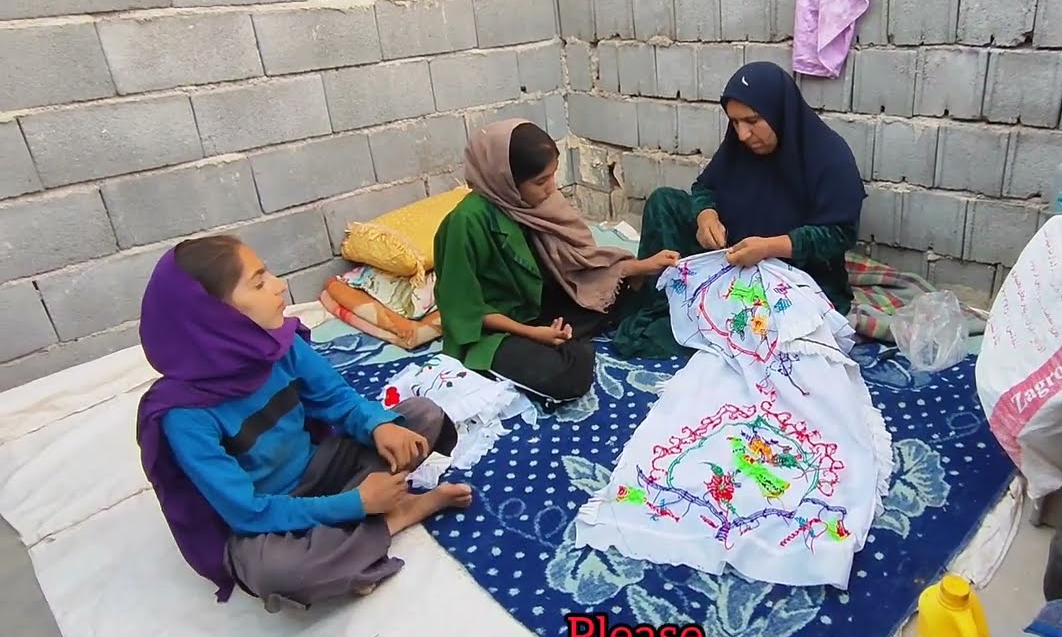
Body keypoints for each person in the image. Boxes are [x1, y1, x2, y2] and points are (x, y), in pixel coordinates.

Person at [136, 234, 473, 611]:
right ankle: (396, 516)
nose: (280, 286)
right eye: (259, 282)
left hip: (321, 469)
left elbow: (337, 400)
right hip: (269, 515)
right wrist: (356, 503)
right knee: (273, 572)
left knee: (419, 417)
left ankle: (351, 554)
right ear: (213, 315)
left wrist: (379, 425)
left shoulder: (275, 345)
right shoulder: (185, 416)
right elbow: (247, 512)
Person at [613, 60, 867, 358]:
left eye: (752, 120)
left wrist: (769, 247)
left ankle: (693, 316)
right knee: (664, 201)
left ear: (779, 112)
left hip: (790, 274)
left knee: (658, 336)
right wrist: (705, 214)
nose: (743, 134)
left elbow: (839, 233)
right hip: (732, 257)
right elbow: (705, 186)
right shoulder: (739, 147)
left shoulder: (829, 157)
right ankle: (666, 301)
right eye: (735, 122)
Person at [432, 119, 679, 402]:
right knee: (569, 377)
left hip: (537, 306)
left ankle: (562, 340)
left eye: (552, 177)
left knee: (615, 290)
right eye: (541, 181)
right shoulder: (466, 224)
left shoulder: (535, 204)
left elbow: (579, 263)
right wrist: (532, 333)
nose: (551, 188)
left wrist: (643, 265)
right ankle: (555, 347)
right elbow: (463, 310)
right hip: (493, 329)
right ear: (507, 180)